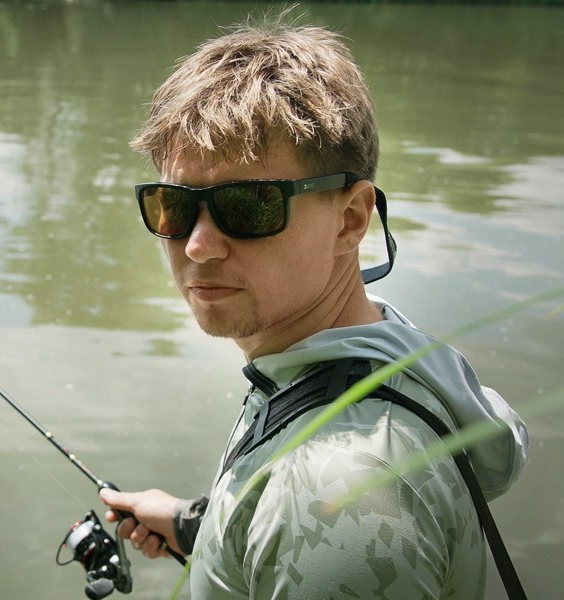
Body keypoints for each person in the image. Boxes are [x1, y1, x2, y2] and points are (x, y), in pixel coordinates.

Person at [99, 16, 529, 599]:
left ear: (350, 219)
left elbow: (331, 526)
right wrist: (202, 524)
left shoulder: (340, 494)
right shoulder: (371, 353)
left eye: (248, 205)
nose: (197, 245)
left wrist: (295, 519)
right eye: (173, 204)